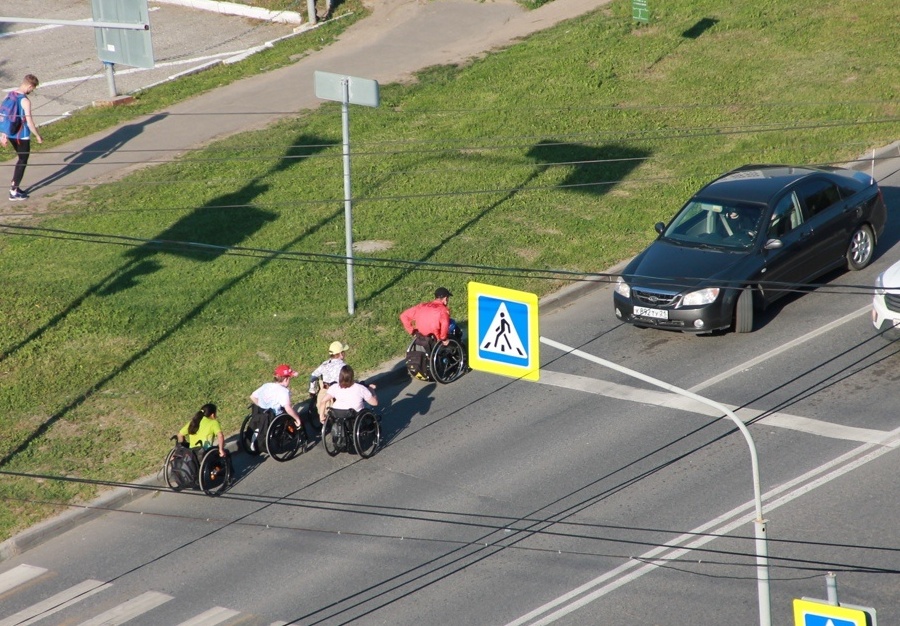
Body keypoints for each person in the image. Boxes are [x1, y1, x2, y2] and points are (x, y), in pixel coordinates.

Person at [1, 75, 43, 201]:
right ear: (30, 86)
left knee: (20, 159)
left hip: (11, 134)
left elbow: (5, 115)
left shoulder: (9, 95)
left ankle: (15, 187)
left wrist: (4, 134)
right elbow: (29, 122)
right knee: (22, 160)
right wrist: (37, 135)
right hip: (22, 135)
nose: (31, 91)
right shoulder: (25, 101)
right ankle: (14, 191)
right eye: (32, 89)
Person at [249, 364, 304, 451]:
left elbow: (252, 396)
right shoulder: (283, 391)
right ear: (286, 379)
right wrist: (297, 419)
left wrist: (262, 407)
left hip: (261, 413)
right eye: (289, 378)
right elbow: (288, 409)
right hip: (274, 417)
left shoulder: (266, 385)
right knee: (294, 416)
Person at [308, 340, 348, 421]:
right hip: (337, 392)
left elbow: (313, 376)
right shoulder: (344, 366)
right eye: (343, 351)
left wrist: (312, 390)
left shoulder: (325, 364)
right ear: (340, 354)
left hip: (325, 391)